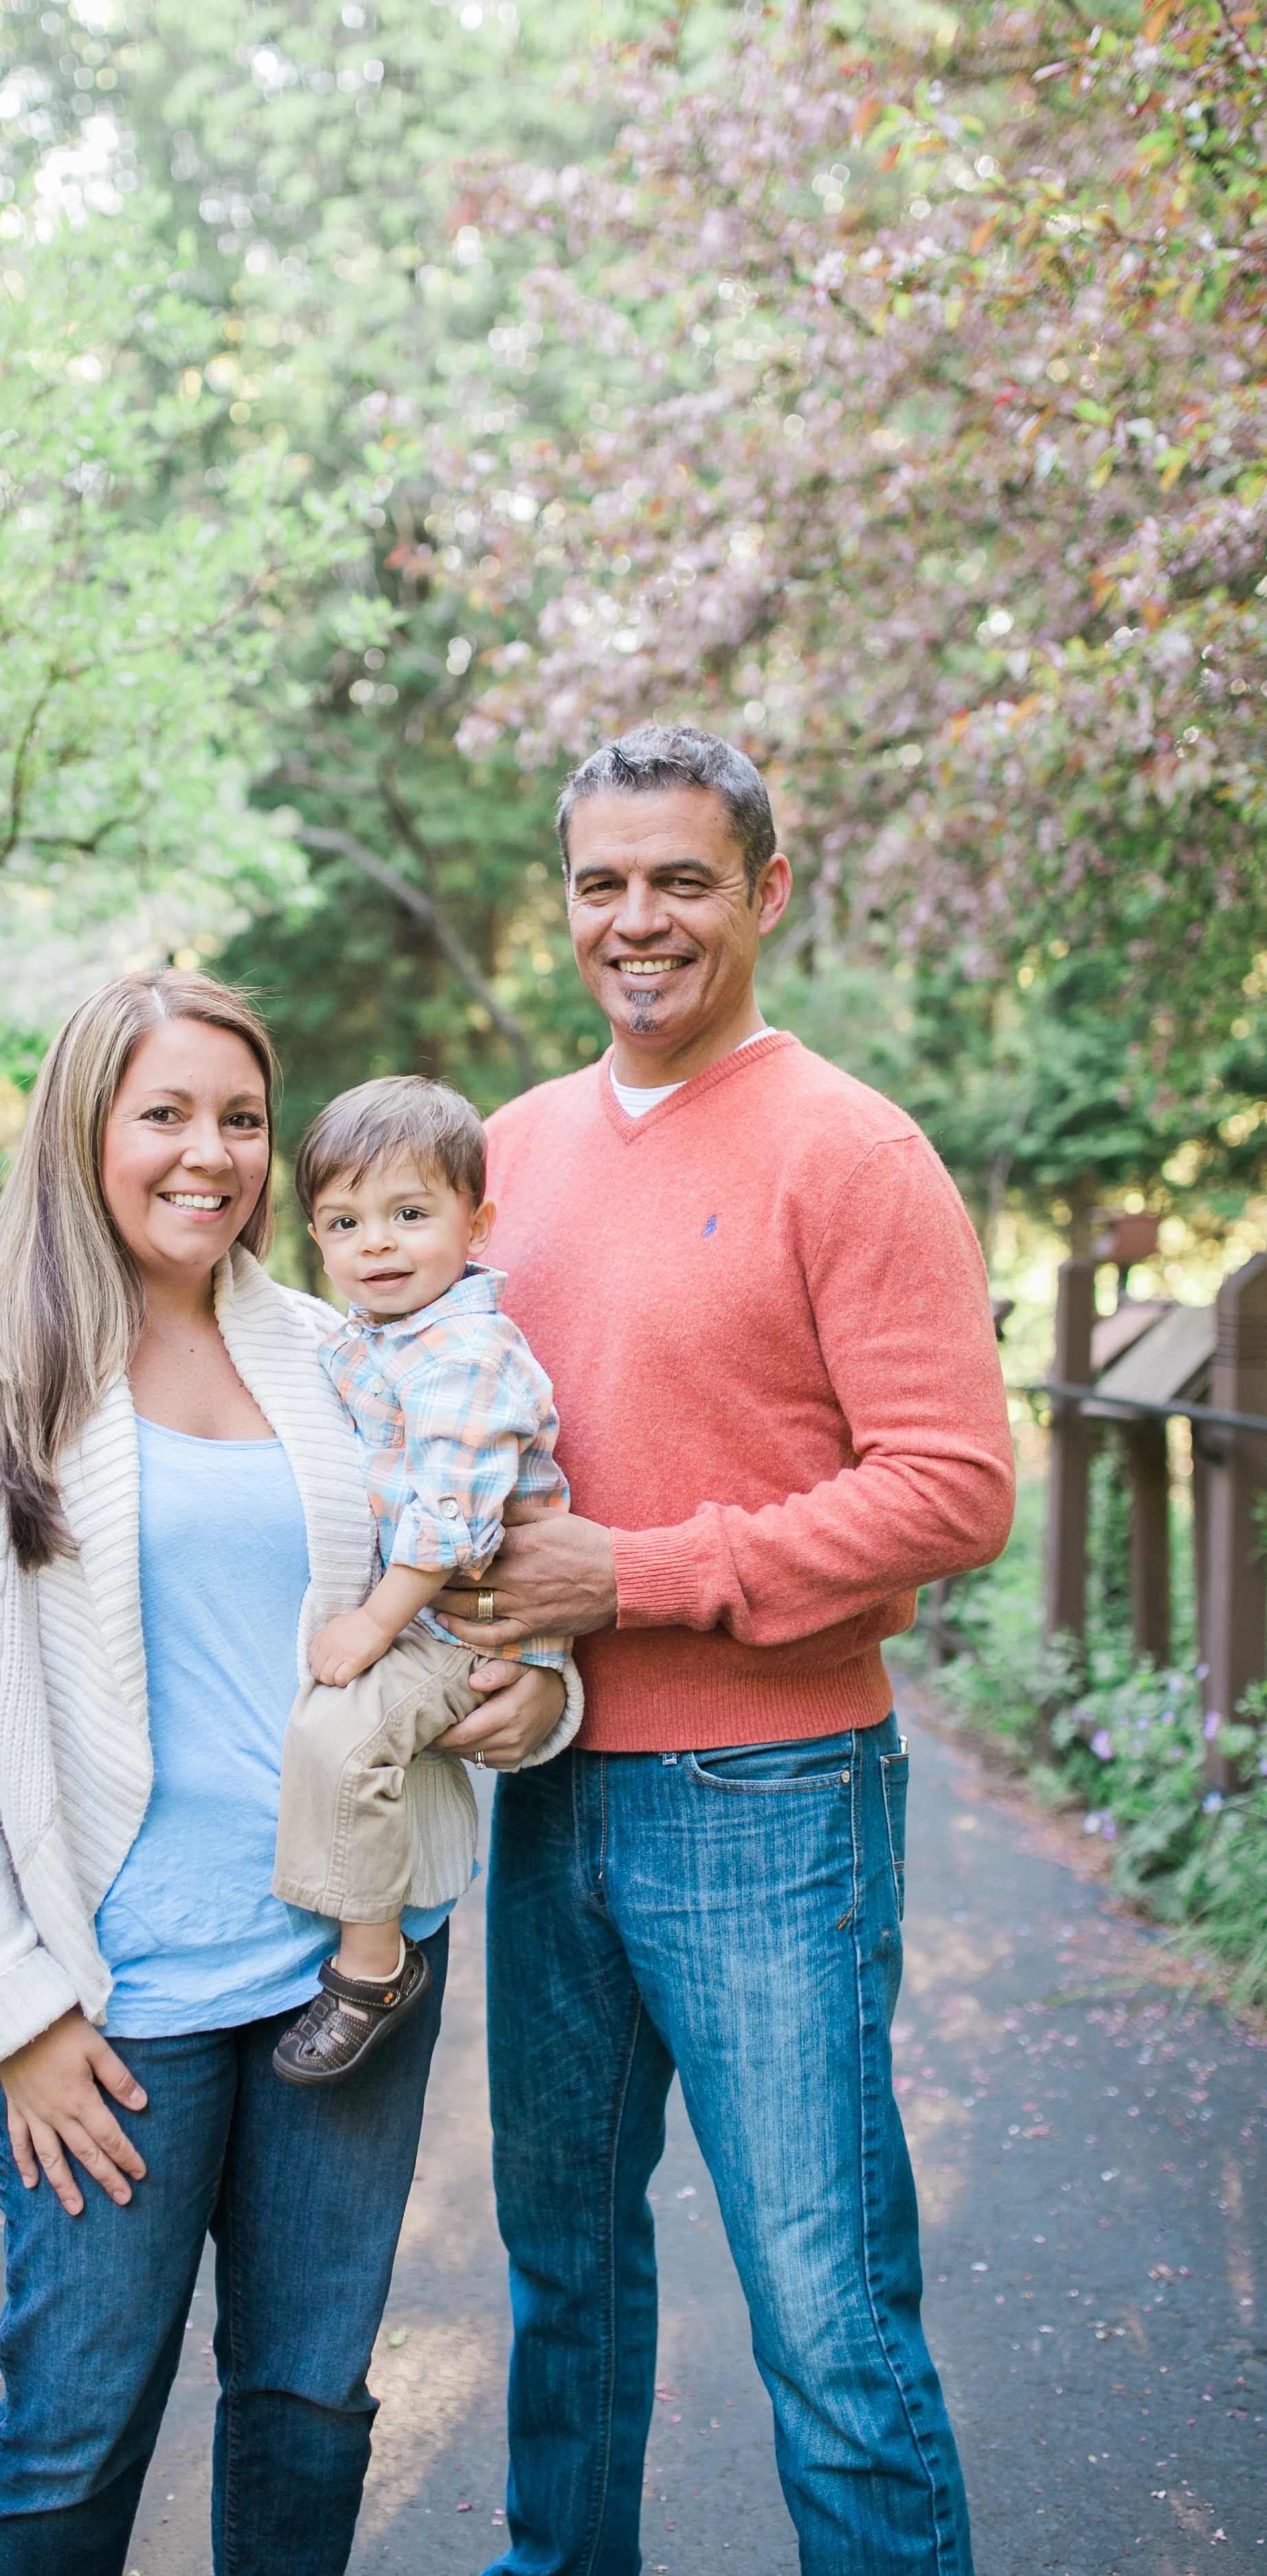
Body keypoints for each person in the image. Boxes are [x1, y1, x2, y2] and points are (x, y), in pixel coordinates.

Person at [0, 971, 574, 2576]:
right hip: (112, 2012)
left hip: (348, 1973)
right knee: (77, 2424)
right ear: (81, 1128)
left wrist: (541, 1699)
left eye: (241, 1118)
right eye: (163, 1113)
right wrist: (10, 2011)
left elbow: (480, 1559)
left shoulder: (337, 1349)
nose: (210, 1153)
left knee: (309, 2404)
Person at [433, 726, 1016, 2576]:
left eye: (679, 877)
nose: (636, 917)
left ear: (763, 893)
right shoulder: (503, 1154)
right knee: (565, 2275)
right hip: (545, 1791)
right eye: (601, 880)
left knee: (824, 2308)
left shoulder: (850, 1147)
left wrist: (642, 1574)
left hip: (772, 1794)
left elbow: (952, 1487)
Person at [270, 1075, 570, 2086]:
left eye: (410, 1214)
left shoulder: (466, 1352)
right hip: (429, 1612)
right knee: (334, 1727)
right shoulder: (368, 1336)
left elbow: (450, 1521)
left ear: (476, 1222)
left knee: (344, 1731)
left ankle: (373, 1966)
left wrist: (370, 1621)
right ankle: (357, 1929)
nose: (379, 1245)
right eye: (346, 1222)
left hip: (467, 1623)